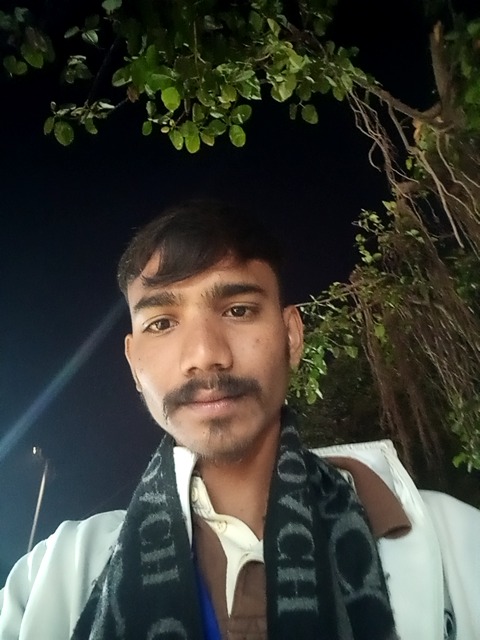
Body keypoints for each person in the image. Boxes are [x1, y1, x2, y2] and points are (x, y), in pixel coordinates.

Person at [0, 200, 479, 640]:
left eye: (238, 310)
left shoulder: (454, 544)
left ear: (292, 336)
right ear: (132, 362)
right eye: (161, 323)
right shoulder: (57, 574)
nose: (205, 355)